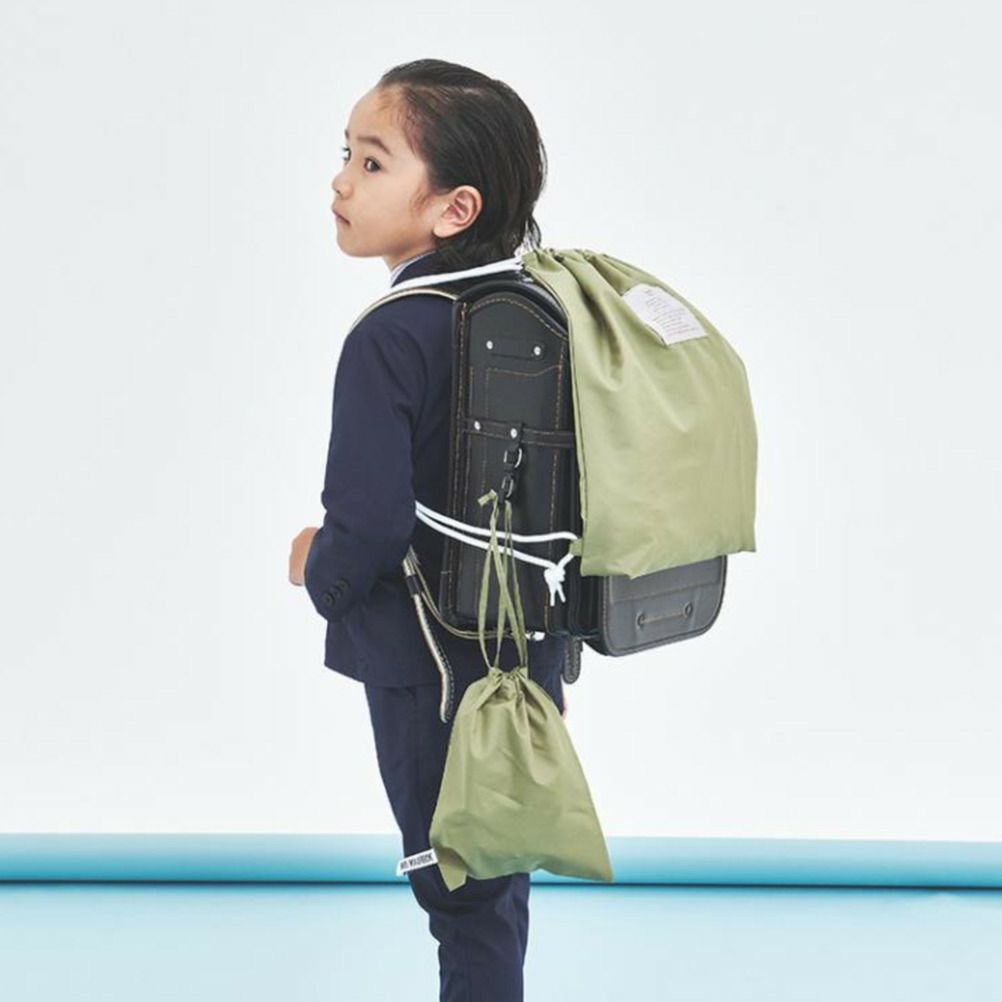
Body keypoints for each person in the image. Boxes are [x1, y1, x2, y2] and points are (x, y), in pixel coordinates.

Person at [287, 58, 567, 1001]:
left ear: (454, 208)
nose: (341, 181)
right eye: (345, 154)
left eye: (373, 163)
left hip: (425, 663)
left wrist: (318, 570)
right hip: (525, 642)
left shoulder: (390, 335)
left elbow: (367, 524)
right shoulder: (540, 311)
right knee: (494, 876)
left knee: (452, 880)